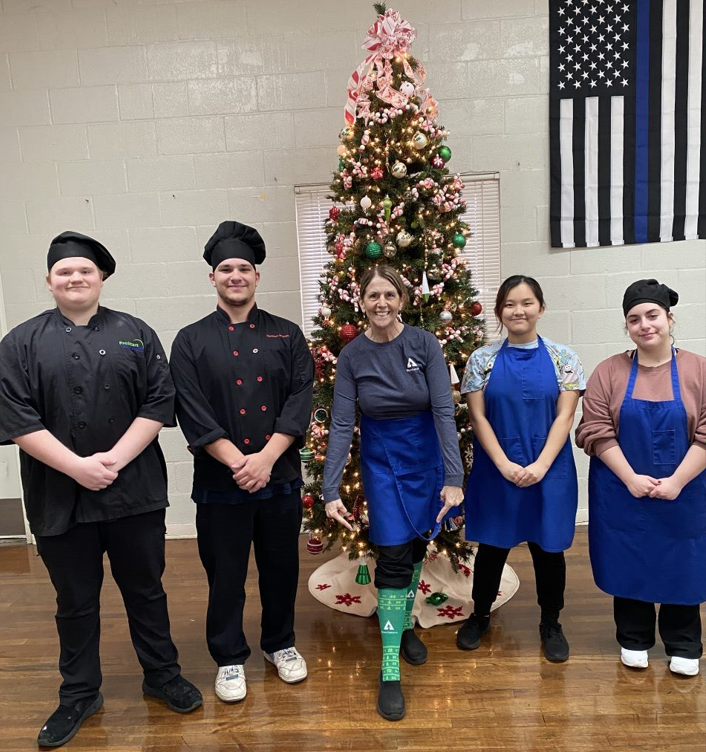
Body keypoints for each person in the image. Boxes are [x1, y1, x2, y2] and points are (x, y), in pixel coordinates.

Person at [0, 232, 202, 749]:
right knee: (75, 601)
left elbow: (159, 401)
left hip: (133, 489)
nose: (75, 278)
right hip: (58, 495)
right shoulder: (20, 342)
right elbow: (17, 418)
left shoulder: (135, 332)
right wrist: (77, 468)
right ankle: (80, 694)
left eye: (84, 271)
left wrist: (112, 461)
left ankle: (161, 676)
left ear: (101, 278)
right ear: (49, 281)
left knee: (146, 590)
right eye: (64, 271)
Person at [170, 221, 314, 704]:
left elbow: (300, 401)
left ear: (257, 277)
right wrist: (240, 464)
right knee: (225, 575)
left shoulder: (287, 335)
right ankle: (229, 657)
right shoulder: (189, 341)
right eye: (226, 269)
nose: (235, 276)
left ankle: (280, 644)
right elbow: (192, 409)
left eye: (244, 269)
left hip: (280, 478)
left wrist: (266, 459)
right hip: (220, 482)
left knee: (281, 569)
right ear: (213, 278)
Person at [323, 265, 464, 722]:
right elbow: (344, 422)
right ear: (361, 301)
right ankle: (388, 669)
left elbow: (444, 411)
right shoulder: (351, 356)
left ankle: (403, 627)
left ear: (401, 299)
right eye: (372, 295)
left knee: (419, 542)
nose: (380, 302)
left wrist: (454, 477)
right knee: (392, 557)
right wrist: (329, 489)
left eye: (389, 294)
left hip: (426, 460)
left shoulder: (424, 344)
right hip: (382, 465)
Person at [576, 279, 706, 676]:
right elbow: (594, 429)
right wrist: (631, 477)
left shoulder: (698, 369)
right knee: (627, 556)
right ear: (627, 326)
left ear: (669, 318)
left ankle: (684, 643)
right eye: (634, 319)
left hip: (685, 490)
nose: (644, 325)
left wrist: (678, 481)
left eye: (652, 315)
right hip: (622, 489)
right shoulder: (609, 371)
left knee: (683, 560)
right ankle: (633, 638)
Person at [458, 275, 584, 662]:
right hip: (497, 471)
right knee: (492, 548)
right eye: (510, 304)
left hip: (550, 470)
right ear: (500, 311)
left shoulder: (565, 358)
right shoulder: (482, 359)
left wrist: (541, 465)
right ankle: (480, 615)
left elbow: (565, 417)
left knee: (549, 550)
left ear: (541, 309)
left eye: (527, 302)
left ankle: (551, 622)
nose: (518, 310)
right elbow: (478, 418)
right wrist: (504, 465)